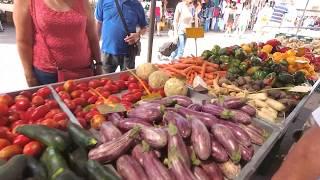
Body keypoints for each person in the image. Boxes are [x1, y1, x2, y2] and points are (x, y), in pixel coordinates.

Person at [13, 0, 102, 86]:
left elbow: (92, 36)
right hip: (49, 76)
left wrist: (98, 64)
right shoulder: (26, 1)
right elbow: (24, 41)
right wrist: (29, 76)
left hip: (84, 71)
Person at [95, 0, 147, 73]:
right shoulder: (103, 1)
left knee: (127, 82)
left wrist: (137, 35)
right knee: (105, 81)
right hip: (107, 52)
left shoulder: (136, 4)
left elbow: (144, 27)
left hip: (128, 53)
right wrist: (94, 50)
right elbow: (99, 24)